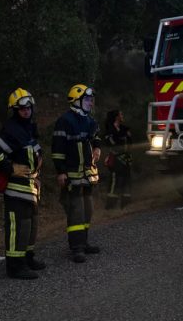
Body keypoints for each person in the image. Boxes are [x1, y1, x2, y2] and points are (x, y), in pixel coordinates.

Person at [0, 87, 46, 280]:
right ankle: (15, 266)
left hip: (29, 187)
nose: (26, 111)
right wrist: (11, 169)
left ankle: (27, 258)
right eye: (22, 109)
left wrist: (36, 175)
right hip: (15, 189)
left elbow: (34, 154)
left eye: (29, 108)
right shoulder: (11, 130)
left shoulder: (28, 128)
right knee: (17, 228)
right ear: (15, 110)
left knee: (30, 225)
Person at [52, 84, 102, 263]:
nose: (90, 102)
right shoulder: (64, 121)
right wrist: (61, 172)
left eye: (91, 99)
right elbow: (57, 149)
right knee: (76, 211)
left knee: (88, 209)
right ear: (76, 100)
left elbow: (96, 134)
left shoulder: (89, 119)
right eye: (87, 99)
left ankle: (85, 242)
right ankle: (77, 248)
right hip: (72, 174)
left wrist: (97, 146)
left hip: (88, 173)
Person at [103, 109, 133, 209]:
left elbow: (130, 142)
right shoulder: (110, 130)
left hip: (126, 158)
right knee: (114, 180)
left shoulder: (124, 128)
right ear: (116, 117)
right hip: (115, 158)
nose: (122, 116)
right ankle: (110, 205)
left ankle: (125, 203)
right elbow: (112, 142)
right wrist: (122, 137)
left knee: (127, 179)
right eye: (121, 114)